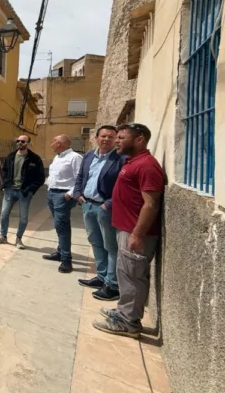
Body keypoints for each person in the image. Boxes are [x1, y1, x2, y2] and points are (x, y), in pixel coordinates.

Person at [93, 123, 163, 339]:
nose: (117, 141)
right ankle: (124, 311)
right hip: (125, 228)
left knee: (133, 276)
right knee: (126, 274)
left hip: (135, 232)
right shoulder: (133, 162)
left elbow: (151, 204)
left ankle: (128, 323)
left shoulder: (147, 166)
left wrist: (137, 234)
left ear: (140, 139)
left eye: (122, 137)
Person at [73, 125, 126, 300]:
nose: (107, 139)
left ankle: (112, 284)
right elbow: (81, 176)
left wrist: (108, 204)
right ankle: (102, 276)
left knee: (110, 245)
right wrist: (78, 193)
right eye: (103, 136)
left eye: (111, 137)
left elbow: (122, 186)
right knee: (95, 242)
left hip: (105, 208)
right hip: (87, 205)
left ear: (116, 139)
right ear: (96, 138)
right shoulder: (89, 155)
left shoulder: (121, 159)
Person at [0, 135, 45, 249]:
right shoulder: (11, 156)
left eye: (23, 141)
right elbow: (4, 170)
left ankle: (19, 239)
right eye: (18, 141)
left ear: (28, 143)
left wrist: (30, 190)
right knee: (4, 214)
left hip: (24, 192)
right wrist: (6, 184)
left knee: (23, 217)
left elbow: (40, 178)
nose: (20, 143)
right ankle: (3, 236)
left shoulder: (35, 159)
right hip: (10, 190)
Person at [43, 135, 83, 273]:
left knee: (62, 226)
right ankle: (60, 252)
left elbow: (81, 178)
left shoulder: (75, 157)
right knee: (58, 224)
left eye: (53, 142)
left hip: (63, 195)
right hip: (52, 193)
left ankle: (66, 259)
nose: (51, 145)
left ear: (59, 144)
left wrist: (69, 195)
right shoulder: (58, 157)